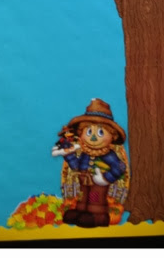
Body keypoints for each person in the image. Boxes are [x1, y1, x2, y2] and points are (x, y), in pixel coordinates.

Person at [55, 98, 127, 228]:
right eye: (89, 131)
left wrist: (105, 178)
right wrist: (68, 155)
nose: (93, 137)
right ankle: (80, 211)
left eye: (100, 132)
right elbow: (76, 167)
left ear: (112, 136)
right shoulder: (85, 152)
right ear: (81, 133)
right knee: (82, 196)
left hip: (98, 183)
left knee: (95, 197)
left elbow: (120, 167)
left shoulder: (108, 154)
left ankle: (98, 216)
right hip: (83, 180)